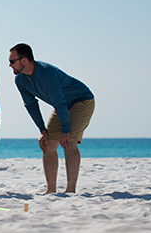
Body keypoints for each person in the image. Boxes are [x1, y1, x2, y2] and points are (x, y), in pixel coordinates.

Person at [9, 43, 95, 194]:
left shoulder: (45, 73)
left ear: (24, 60)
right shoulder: (20, 80)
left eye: (12, 61)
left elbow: (59, 101)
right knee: (47, 144)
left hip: (81, 101)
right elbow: (31, 105)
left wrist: (66, 130)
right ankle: (51, 190)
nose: (10, 65)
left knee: (68, 142)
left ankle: (70, 190)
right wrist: (42, 130)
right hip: (61, 105)